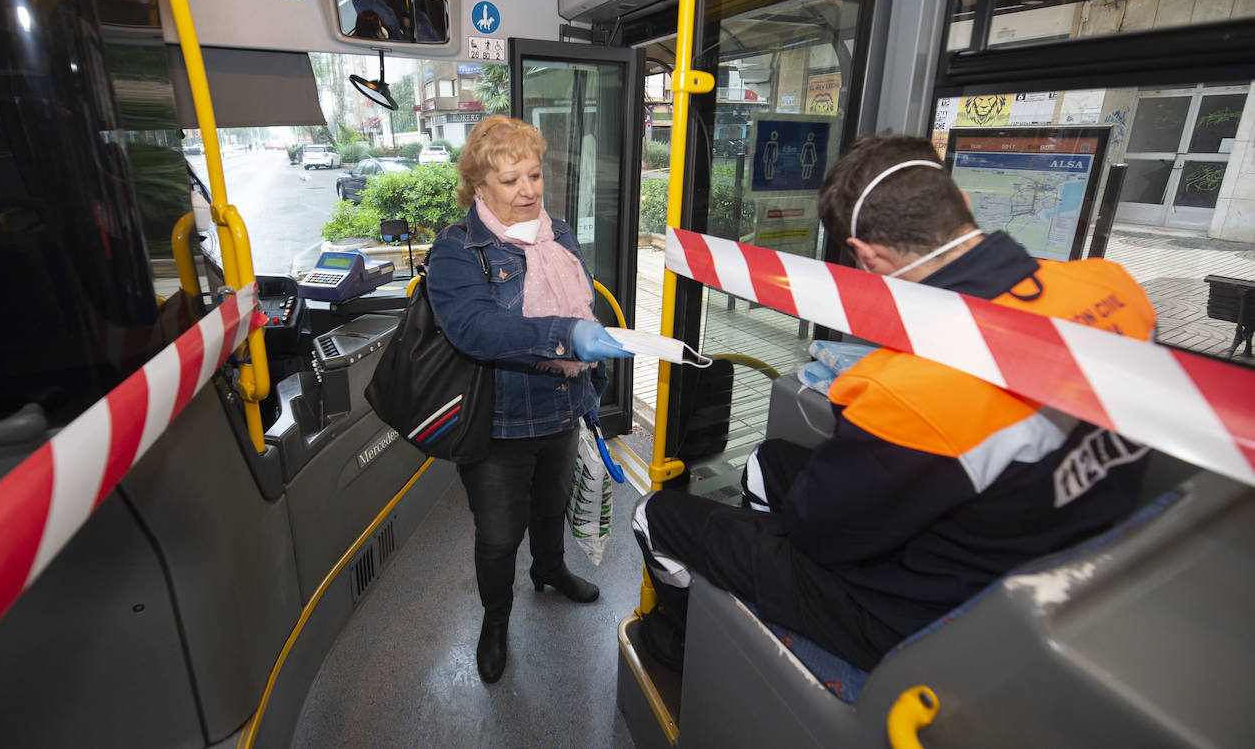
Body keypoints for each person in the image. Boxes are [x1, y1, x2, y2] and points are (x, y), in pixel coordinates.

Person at [632, 135, 1156, 673]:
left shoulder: (904, 389)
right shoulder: (1112, 287)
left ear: (867, 254)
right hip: (1056, 544)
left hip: (925, 616)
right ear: (963, 206)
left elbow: (819, 531)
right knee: (769, 462)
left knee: (656, 515)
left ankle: (696, 646)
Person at [426, 115, 633, 684]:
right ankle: (495, 623)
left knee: (550, 506)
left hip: (563, 410)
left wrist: (590, 388)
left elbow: (582, 307)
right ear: (478, 188)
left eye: (535, 176)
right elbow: (475, 329)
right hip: (497, 425)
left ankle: (550, 570)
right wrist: (564, 334)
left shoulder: (558, 233)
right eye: (510, 180)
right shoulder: (455, 251)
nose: (527, 191)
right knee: (497, 536)